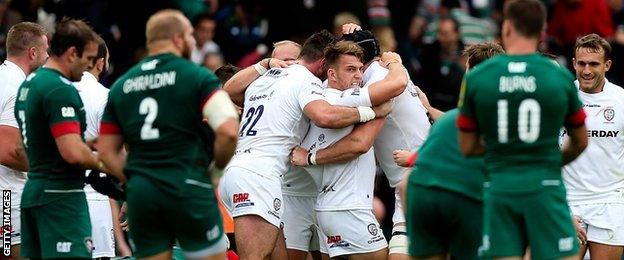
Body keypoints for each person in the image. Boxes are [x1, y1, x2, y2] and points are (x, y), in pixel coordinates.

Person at [219, 30, 390, 260]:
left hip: (241, 172)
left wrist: (264, 64)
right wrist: (369, 112)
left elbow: (228, 90)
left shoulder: (267, 76)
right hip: (260, 175)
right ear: (322, 64)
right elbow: (324, 116)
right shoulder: (305, 79)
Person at [96, 9, 239, 260]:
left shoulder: (121, 85)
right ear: (178, 38)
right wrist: (214, 174)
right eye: (191, 36)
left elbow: (107, 151)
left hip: (143, 195)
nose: (194, 42)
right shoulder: (197, 76)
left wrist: (136, 180)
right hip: (188, 185)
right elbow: (228, 131)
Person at [457, 0, 589, 259]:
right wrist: (550, 160)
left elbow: (467, 146)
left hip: (500, 186)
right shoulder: (559, 77)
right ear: (542, 33)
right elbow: (581, 140)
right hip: (545, 185)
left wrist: (502, 151)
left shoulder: (477, 78)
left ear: (506, 27)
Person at [290, 41, 410, 260]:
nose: (358, 75)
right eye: (350, 69)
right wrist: (394, 62)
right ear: (332, 75)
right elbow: (360, 143)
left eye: (360, 69)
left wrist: (311, 158)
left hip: (326, 209)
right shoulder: (340, 99)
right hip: (349, 208)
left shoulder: (321, 101)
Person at [396, 42, 504, 260]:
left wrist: (413, 158)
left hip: (437, 202)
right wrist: (429, 110)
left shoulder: (458, 121)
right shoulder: (500, 115)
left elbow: (405, 185)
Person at [14, 18, 103, 259]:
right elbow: (72, 152)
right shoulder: (60, 88)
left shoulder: (27, 85)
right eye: (88, 59)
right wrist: (106, 165)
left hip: (33, 192)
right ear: (73, 53)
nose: (88, 67)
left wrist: (84, 145)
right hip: (61, 197)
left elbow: (29, 147)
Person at [339, 28, 431, 259]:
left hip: (418, 181)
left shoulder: (379, 80)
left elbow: (357, 139)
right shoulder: (387, 70)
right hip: (413, 181)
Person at [562, 33, 624, 259]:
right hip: (569, 201)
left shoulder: (621, 100)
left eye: (594, 64)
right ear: (573, 63)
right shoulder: (561, 97)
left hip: (610, 201)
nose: (586, 70)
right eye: (581, 63)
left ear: (607, 65)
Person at [0, 21, 48, 260]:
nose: (48, 56)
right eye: (46, 50)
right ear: (33, 52)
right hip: (7, 199)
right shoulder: (17, 87)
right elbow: (8, 151)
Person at [72, 34, 120, 260]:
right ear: (100, 62)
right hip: (94, 198)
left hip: (56, 196)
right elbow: (115, 150)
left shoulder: (51, 91)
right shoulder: (104, 97)